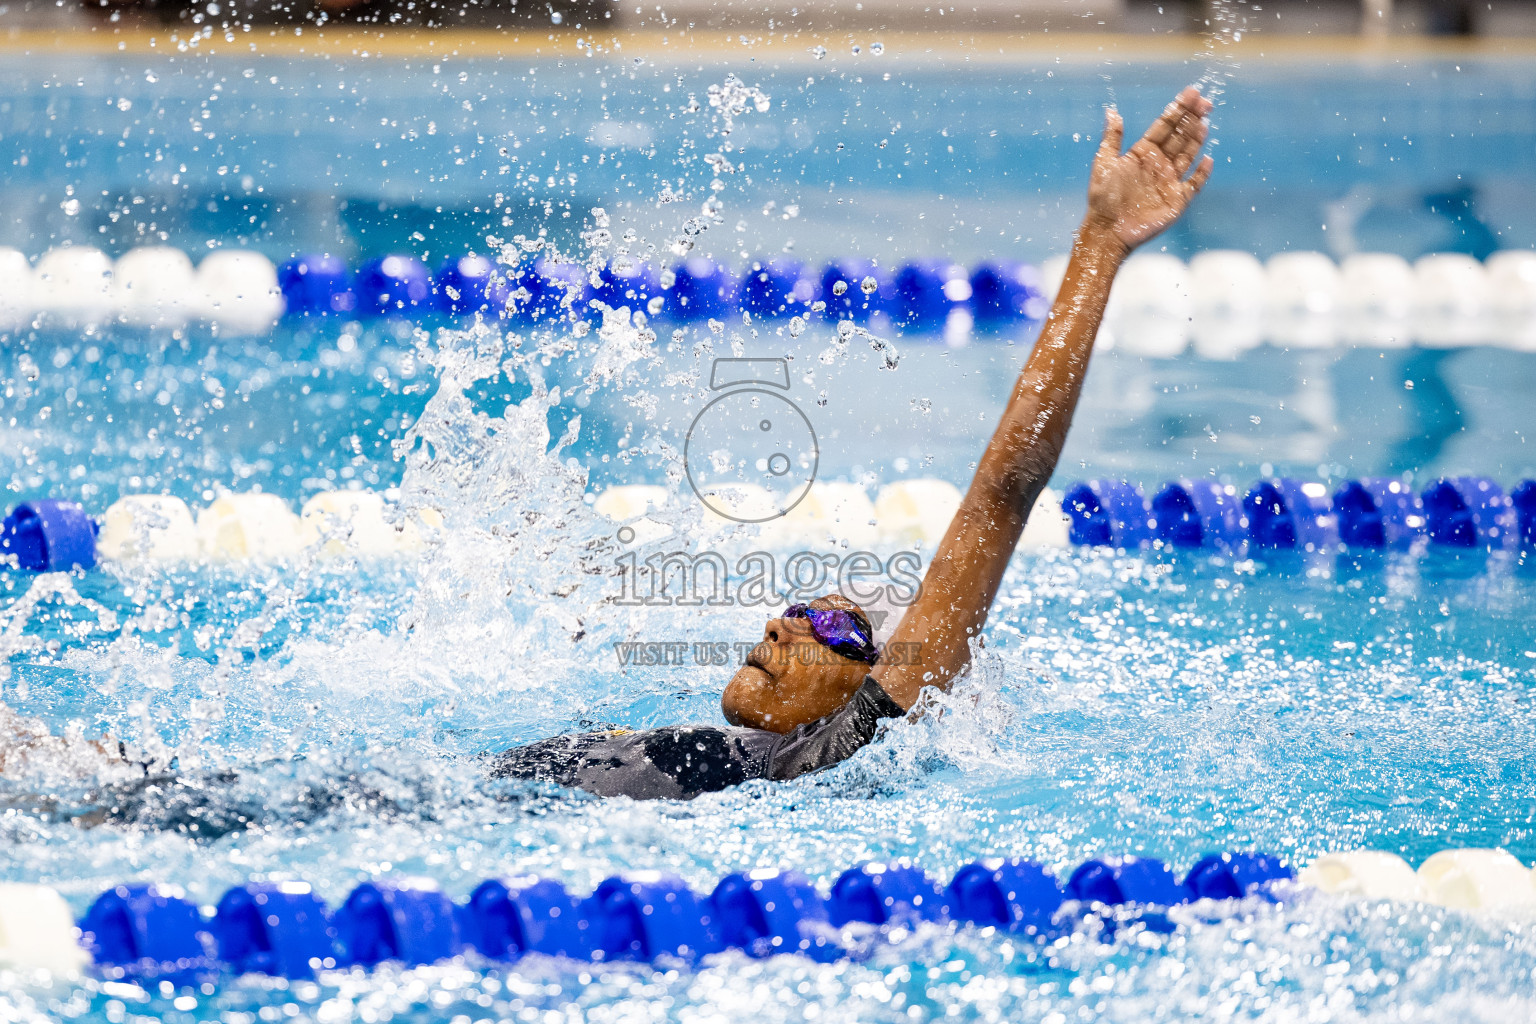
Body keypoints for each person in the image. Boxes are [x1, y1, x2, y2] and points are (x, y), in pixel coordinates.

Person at [492, 85, 1216, 799]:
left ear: (886, 679)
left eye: (832, 625)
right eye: (798, 610)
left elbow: (1007, 489)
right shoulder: (728, 753)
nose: (780, 624)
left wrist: (1098, 246)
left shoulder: (832, 753)